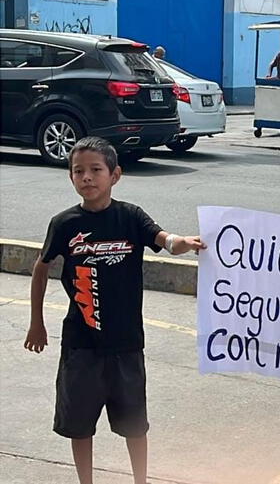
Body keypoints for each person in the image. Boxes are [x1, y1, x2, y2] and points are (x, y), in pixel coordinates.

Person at [24, 137, 206, 484]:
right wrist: (37, 323)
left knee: (134, 424)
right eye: (79, 171)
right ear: (71, 177)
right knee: (79, 425)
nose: (87, 178)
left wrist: (184, 242)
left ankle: (141, 479)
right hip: (81, 345)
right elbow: (41, 266)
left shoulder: (130, 217)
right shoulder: (64, 224)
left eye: (96, 170)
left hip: (126, 344)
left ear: (115, 175)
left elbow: (165, 239)